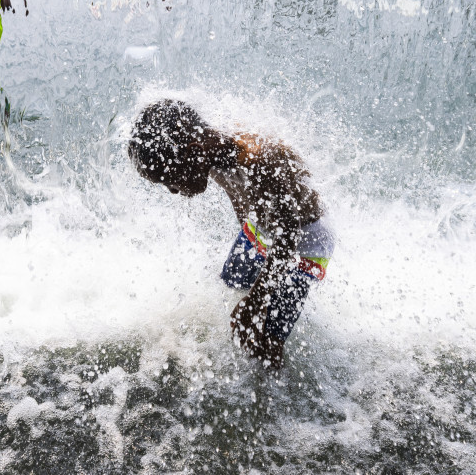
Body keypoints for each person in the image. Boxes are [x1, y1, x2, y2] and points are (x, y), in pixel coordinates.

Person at [127, 99, 334, 368]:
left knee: (266, 341)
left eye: (170, 180)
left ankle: (271, 386)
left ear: (192, 152)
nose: (174, 191)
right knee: (231, 288)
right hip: (262, 227)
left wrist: (258, 298)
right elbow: (239, 195)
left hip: (304, 242)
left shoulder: (260, 160)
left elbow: (288, 238)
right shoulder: (207, 147)